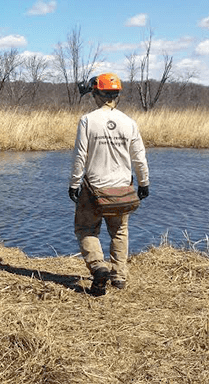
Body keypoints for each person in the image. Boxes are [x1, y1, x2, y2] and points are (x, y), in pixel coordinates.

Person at [69, 73, 150, 296]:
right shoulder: (129, 122)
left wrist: (74, 184)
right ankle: (119, 277)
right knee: (120, 231)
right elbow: (139, 158)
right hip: (122, 190)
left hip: (94, 189)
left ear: (96, 93)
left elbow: (80, 156)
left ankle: (98, 267)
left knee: (86, 229)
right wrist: (143, 183)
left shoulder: (88, 120)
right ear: (116, 95)